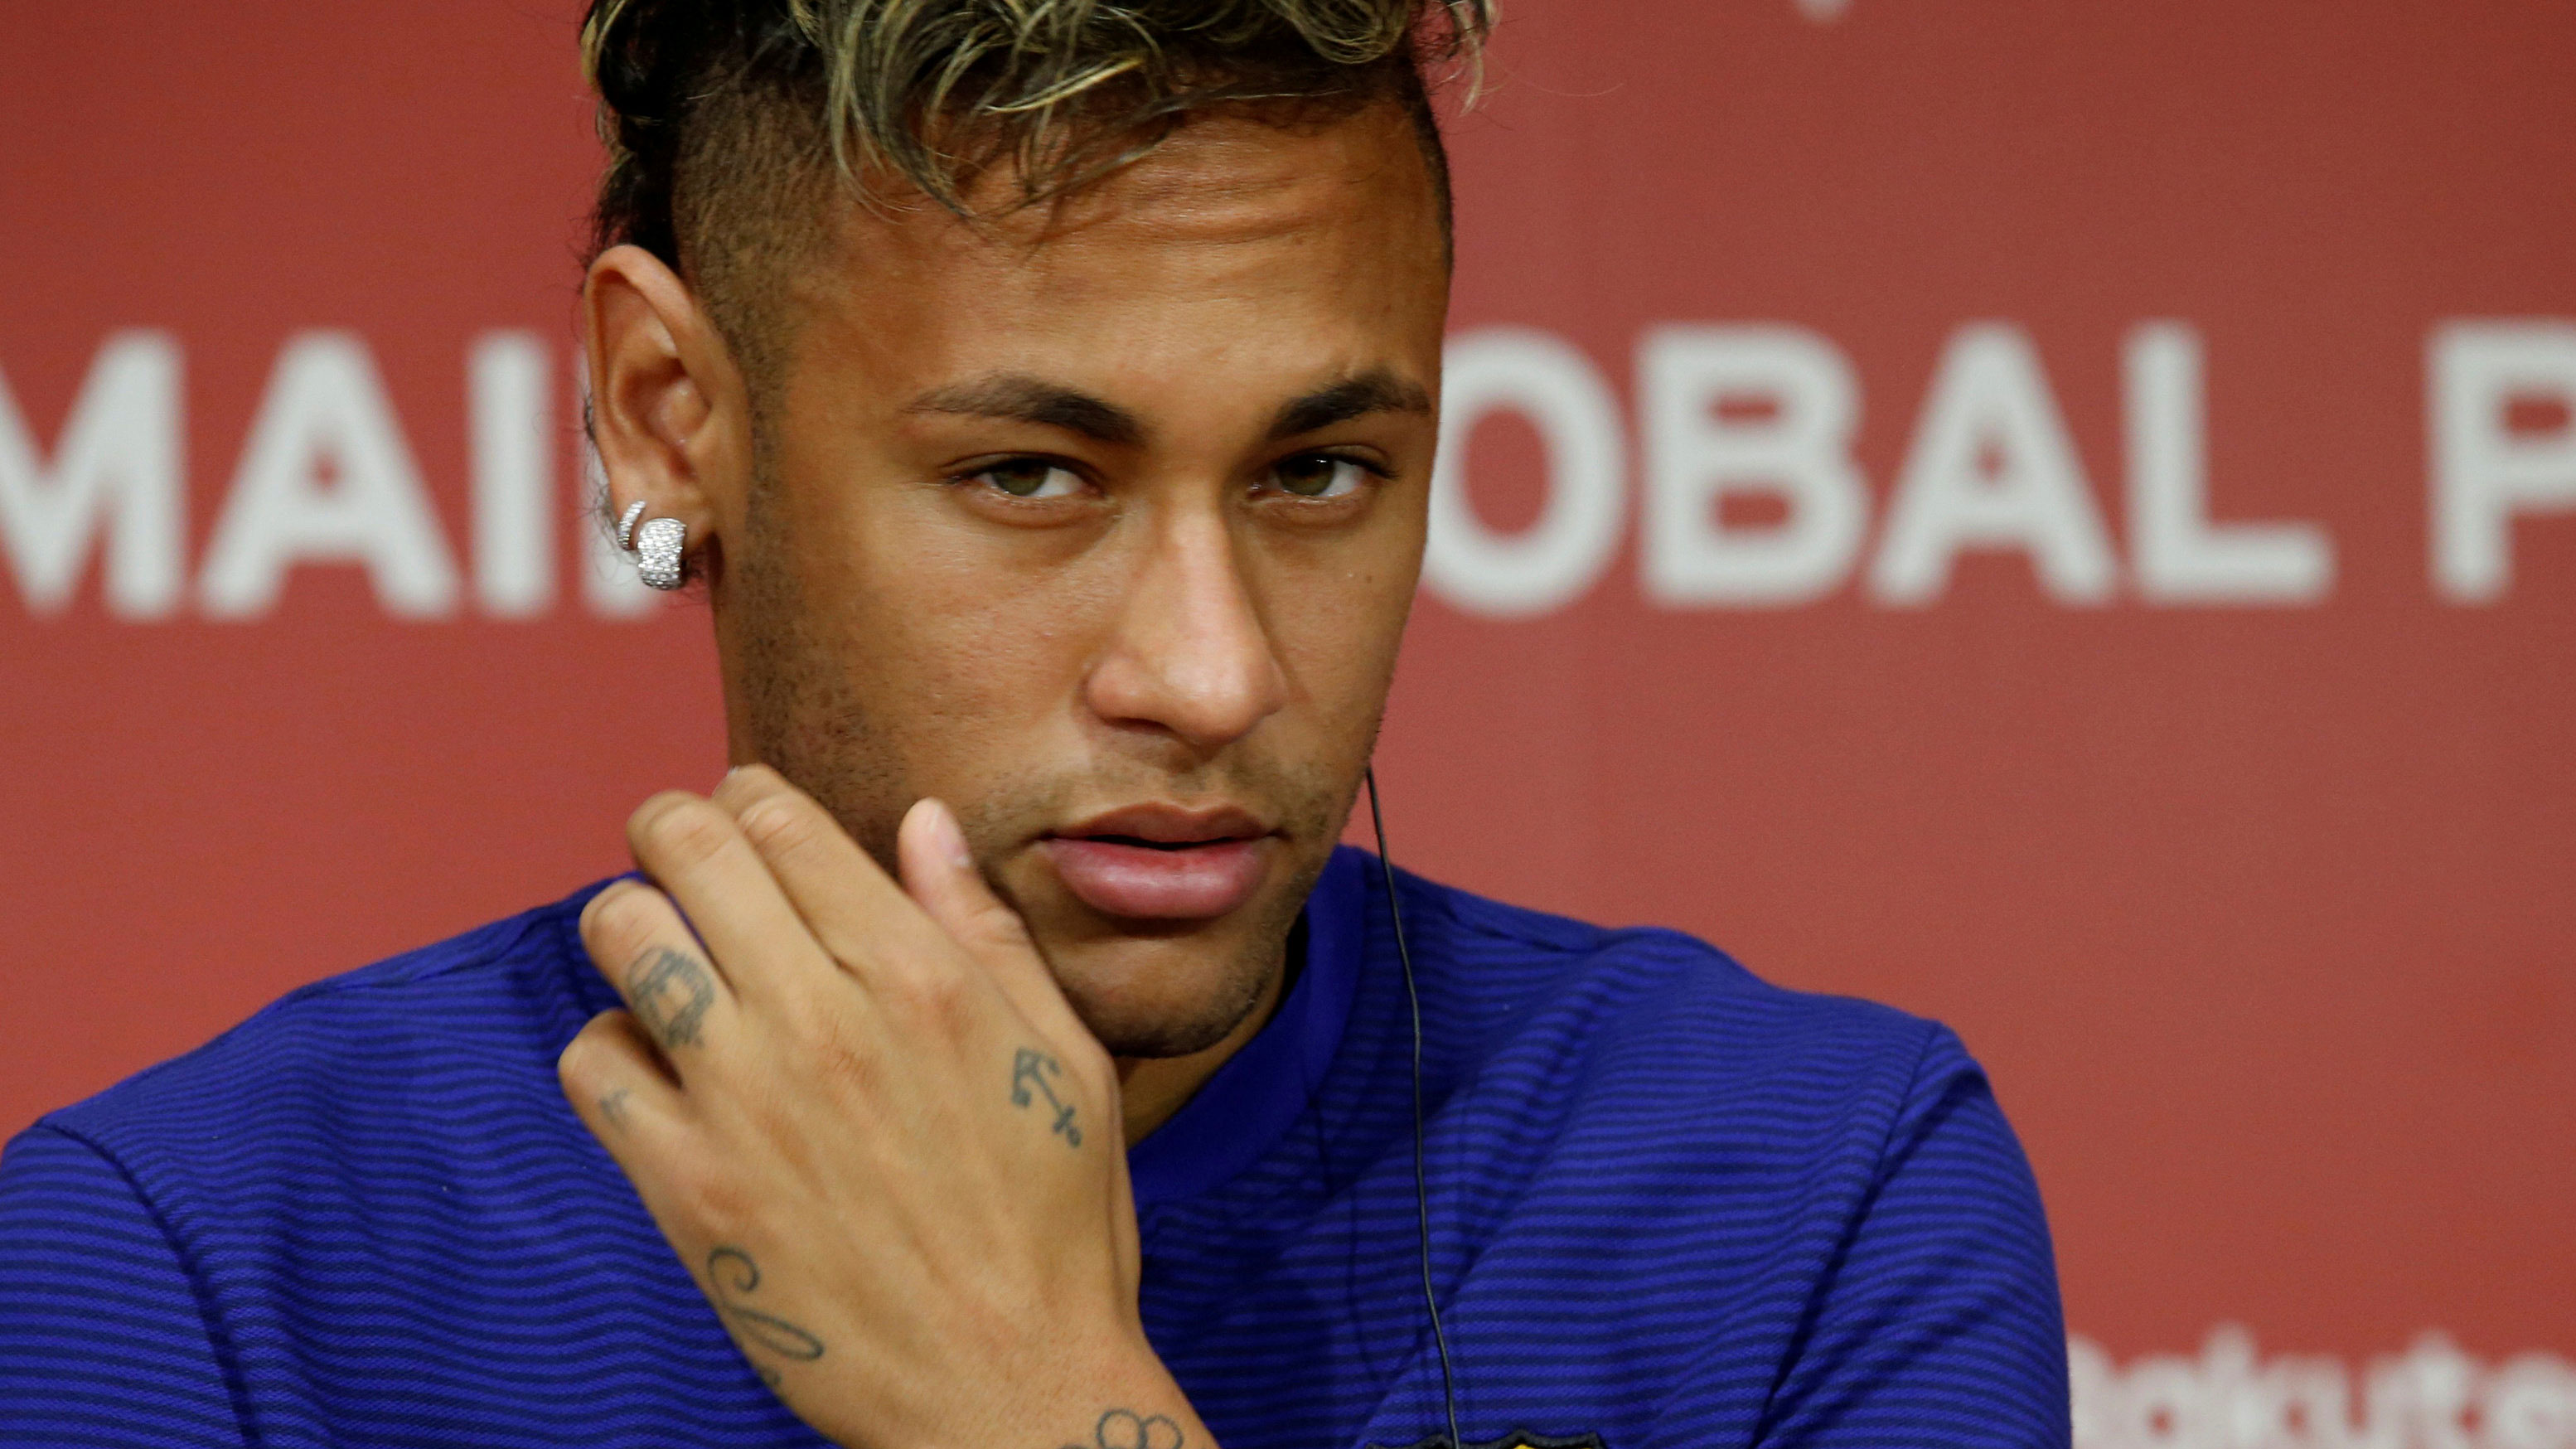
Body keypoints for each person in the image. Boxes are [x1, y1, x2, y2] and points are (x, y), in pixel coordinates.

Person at [0, 2, 2069, 1445]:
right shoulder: (185, 1277)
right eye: (1032, 475)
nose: (1216, 674)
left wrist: (1022, 1399)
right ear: (666, 412)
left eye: (1320, 470)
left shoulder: (1812, 1204)